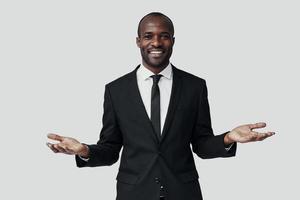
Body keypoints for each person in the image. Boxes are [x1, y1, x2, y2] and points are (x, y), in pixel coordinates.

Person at [47, 12, 275, 200]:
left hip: (183, 193)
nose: (156, 43)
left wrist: (228, 138)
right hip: (133, 193)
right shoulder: (116, 90)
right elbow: (110, 149)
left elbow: (202, 145)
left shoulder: (195, 87)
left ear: (173, 41)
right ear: (138, 41)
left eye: (164, 36)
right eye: (148, 36)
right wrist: (85, 151)